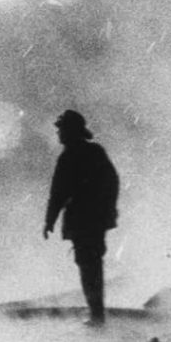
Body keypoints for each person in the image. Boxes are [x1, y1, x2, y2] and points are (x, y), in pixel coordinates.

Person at [43, 109, 120, 326]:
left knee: (88, 266)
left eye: (61, 129)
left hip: (82, 221)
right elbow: (112, 181)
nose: (58, 134)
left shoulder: (69, 157)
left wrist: (49, 221)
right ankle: (97, 313)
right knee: (93, 264)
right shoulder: (95, 152)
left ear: (70, 131)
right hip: (96, 220)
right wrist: (108, 210)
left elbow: (58, 194)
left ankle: (96, 315)